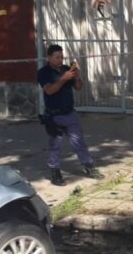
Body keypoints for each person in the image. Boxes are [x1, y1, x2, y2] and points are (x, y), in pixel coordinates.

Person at [37, 44, 101, 186]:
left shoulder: (66, 69)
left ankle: (89, 167)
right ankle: (55, 172)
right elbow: (49, 91)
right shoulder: (43, 72)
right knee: (55, 145)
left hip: (70, 113)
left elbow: (78, 88)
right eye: (57, 57)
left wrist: (77, 77)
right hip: (54, 116)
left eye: (61, 57)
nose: (60, 60)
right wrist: (63, 79)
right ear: (49, 57)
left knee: (79, 142)